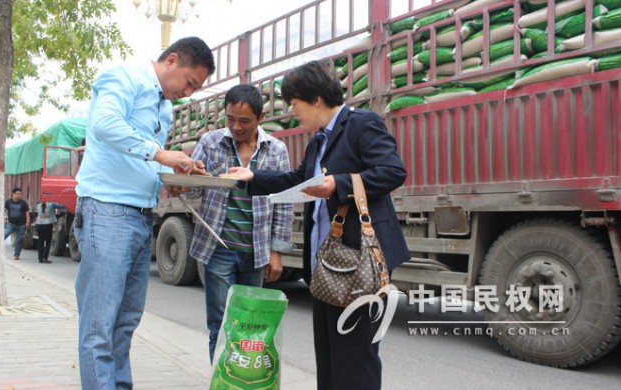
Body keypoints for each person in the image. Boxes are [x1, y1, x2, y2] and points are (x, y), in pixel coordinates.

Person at [228, 60, 411, 390]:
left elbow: (392, 170)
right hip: (326, 265)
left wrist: (338, 184)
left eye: (294, 104)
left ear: (314, 99)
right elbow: (299, 179)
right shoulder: (318, 141)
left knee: (356, 359)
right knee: (328, 355)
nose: (292, 112)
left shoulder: (361, 124)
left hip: (359, 264)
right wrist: (253, 177)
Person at [73, 36, 215, 389]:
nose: (188, 92)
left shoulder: (164, 108)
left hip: (139, 216)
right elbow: (104, 125)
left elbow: (141, 159)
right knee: (99, 326)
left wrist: (171, 179)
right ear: (172, 60)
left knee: (125, 323)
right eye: (190, 82)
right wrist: (161, 154)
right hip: (107, 211)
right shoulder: (125, 78)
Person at [183, 84, 294, 363]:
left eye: (244, 121)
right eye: (230, 118)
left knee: (249, 324)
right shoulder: (210, 142)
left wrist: (276, 250)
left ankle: (243, 377)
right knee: (220, 324)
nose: (236, 126)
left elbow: (283, 202)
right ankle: (221, 380)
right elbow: (193, 189)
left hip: (256, 252)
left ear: (261, 116)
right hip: (218, 248)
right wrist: (186, 179)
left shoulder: (276, 150)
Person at [4, 187, 30, 260]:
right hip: (11, 223)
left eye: (20, 194)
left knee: (19, 240)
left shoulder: (23, 203)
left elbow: (27, 213)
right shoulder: (8, 202)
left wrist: (27, 222)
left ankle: (16, 254)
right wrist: (4, 218)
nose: (19, 195)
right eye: (17, 194)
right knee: (4, 234)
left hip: (22, 225)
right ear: (13, 194)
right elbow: (5, 211)